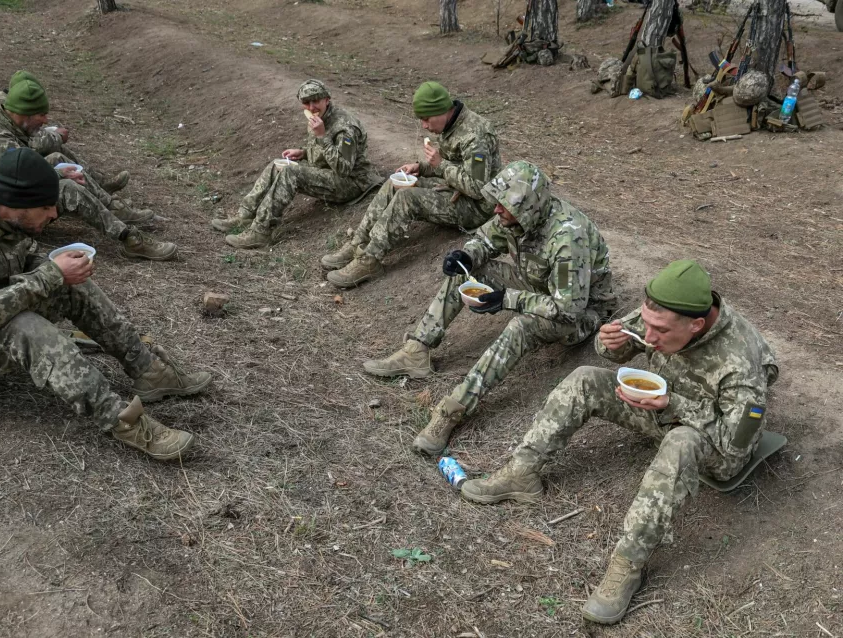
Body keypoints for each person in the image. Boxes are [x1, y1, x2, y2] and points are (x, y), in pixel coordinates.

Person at [460, 260, 778, 625]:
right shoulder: (663, 311)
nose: (650, 336)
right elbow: (613, 348)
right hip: (660, 406)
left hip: (711, 440)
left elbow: (735, 450)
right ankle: (522, 472)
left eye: (660, 331)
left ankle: (628, 564)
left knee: (681, 440)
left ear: (696, 325)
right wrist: (610, 342)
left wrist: (672, 404)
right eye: (647, 325)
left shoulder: (741, 361)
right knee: (585, 378)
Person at [0, 148, 213, 460]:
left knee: (69, 285)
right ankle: (121, 420)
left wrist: (56, 272)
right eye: (46, 207)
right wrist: (50, 274)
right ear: (17, 204)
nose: (53, 214)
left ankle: (147, 370)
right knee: (24, 327)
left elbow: (18, 262)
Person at [363, 161, 615, 454]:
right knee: (466, 272)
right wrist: (466, 256)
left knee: (521, 326)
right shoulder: (517, 216)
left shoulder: (567, 238)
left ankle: (451, 412)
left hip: (582, 313)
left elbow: (568, 309)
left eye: (503, 205)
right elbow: (484, 239)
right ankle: (417, 349)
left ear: (525, 208)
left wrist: (506, 298)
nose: (496, 209)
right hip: (541, 286)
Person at [0, 72, 176, 261]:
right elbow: (17, 178)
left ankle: (113, 206)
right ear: (25, 114)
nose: (46, 121)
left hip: (6, 192)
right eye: (41, 115)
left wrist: (57, 170)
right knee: (69, 189)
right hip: (0, 211)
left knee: (57, 159)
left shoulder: (5, 107)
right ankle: (131, 239)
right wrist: (56, 175)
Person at [322, 81, 501, 289]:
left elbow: (478, 189)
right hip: (455, 190)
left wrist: (440, 165)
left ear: (442, 110)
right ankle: (357, 243)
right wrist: (421, 167)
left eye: (426, 119)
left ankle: (369, 261)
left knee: (407, 198)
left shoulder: (475, 135)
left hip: (476, 207)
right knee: (395, 183)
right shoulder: (451, 124)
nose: (424, 125)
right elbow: (453, 164)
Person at [213, 79, 381, 249]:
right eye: (306, 103)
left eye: (316, 101)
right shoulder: (321, 117)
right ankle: (245, 214)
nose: (311, 107)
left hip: (352, 183)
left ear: (327, 100)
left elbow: (343, 169)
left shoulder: (345, 127)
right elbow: (325, 152)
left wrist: (322, 136)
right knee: (277, 165)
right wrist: (304, 153)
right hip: (330, 172)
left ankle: (261, 231)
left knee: (290, 173)